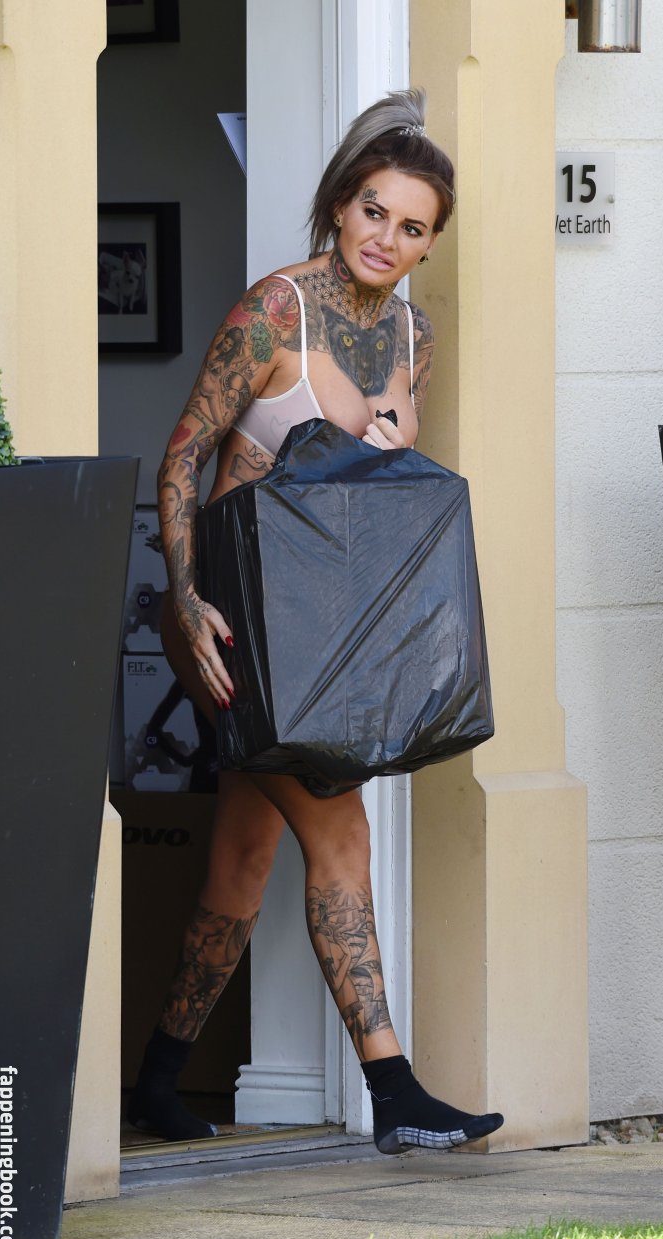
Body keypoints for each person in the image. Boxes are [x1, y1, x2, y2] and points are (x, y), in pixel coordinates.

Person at [128, 88, 504, 1156]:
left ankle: (157, 1078)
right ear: (342, 206)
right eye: (374, 211)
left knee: (244, 856)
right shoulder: (274, 311)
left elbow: (384, 500)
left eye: (413, 226)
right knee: (342, 832)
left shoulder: (413, 336)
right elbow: (186, 453)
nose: (388, 238)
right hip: (236, 626)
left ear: (430, 244)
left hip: (328, 641)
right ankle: (396, 1092)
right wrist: (185, 598)